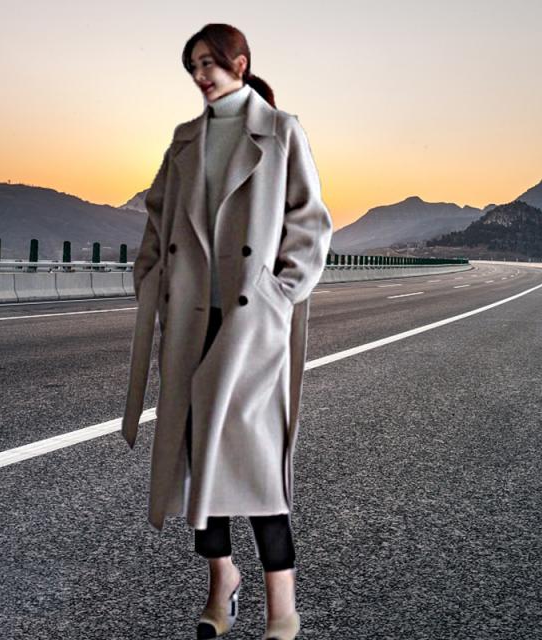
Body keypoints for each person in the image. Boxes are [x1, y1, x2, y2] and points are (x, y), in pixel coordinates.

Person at [121, 23, 333, 640]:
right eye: (192, 66)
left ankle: (282, 607)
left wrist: (279, 294)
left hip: (251, 324)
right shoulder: (185, 139)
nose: (200, 75)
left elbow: (310, 222)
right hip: (191, 320)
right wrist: (150, 276)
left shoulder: (281, 130)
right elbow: (158, 214)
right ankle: (222, 581)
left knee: (259, 466)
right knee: (197, 462)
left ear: (240, 63)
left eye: (209, 63)